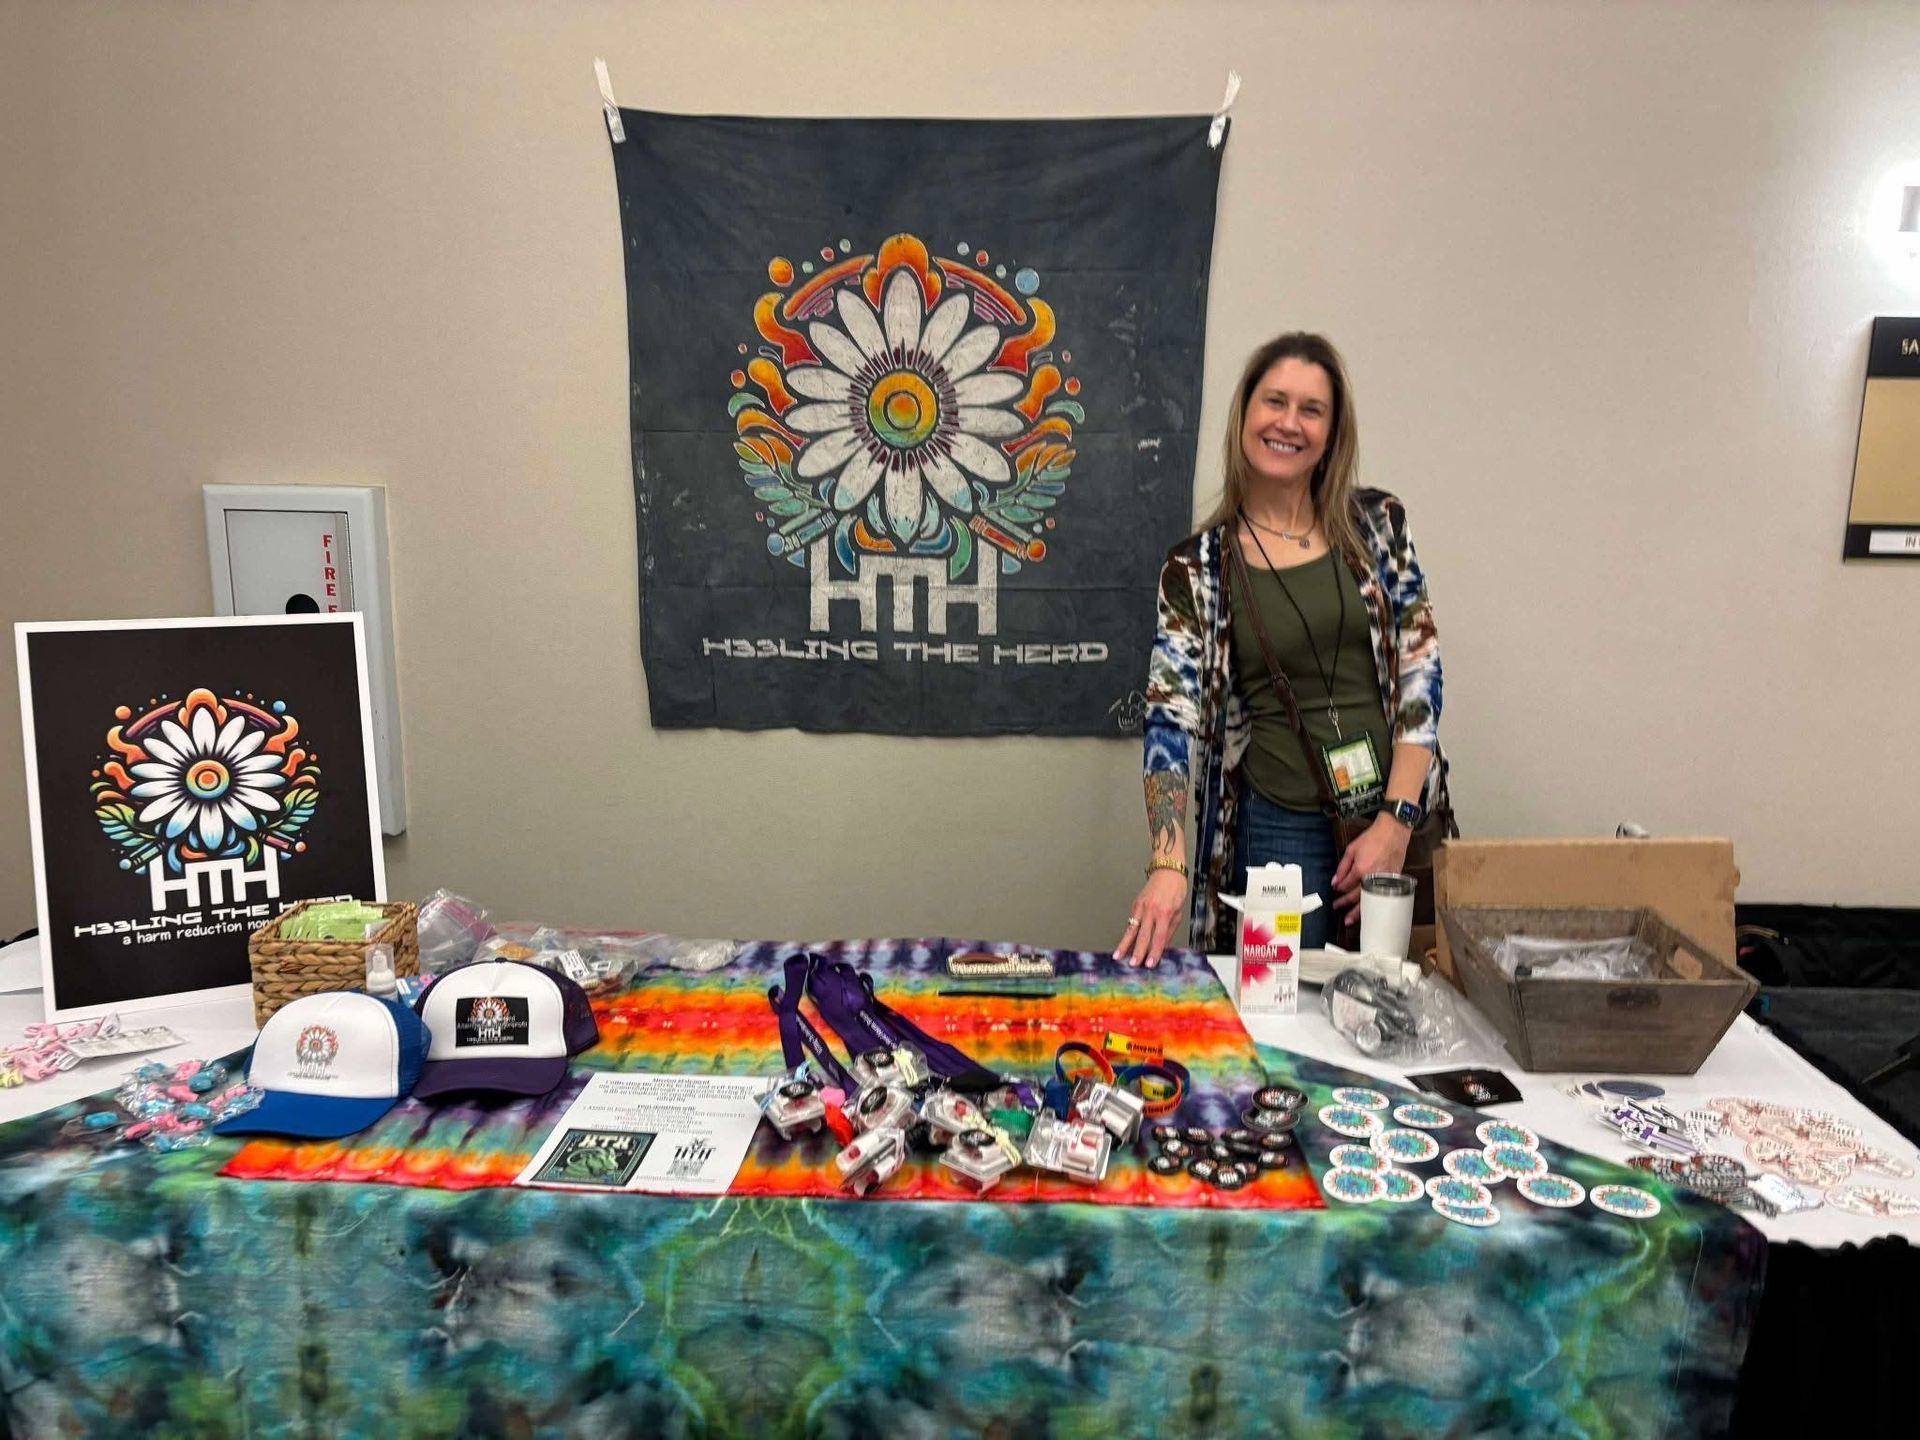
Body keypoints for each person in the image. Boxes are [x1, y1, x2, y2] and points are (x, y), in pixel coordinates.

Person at [1114, 333, 1450, 968]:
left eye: (1311, 409)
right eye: (1274, 402)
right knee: (1276, 1002)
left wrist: (1396, 822)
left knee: (1397, 998)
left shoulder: (1379, 526)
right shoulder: (1198, 569)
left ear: (1332, 431)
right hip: (1278, 832)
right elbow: (1169, 718)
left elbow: (1420, 671)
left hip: (1394, 818)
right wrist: (1168, 862)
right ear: (1245, 413)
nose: (1288, 423)